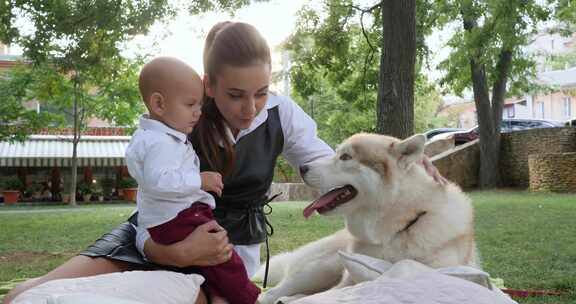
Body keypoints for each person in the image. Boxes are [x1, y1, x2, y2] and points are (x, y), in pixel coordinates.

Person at [3, 21, 444, 304]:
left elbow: (329, 166)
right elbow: (152, 195)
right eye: (235, 94)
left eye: (261, 92)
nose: (250, 108)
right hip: (154, 235)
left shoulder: (282, 114)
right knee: (30, 293)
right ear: (207, 84)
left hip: (228, 249)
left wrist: (403, 165)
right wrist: (165, 251)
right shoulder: (182, 114)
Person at [126, 56, 259, 304]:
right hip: (175, 217)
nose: (198, 113)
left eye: (199, 105)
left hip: (163, 219)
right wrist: (199, 181)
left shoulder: (149, 136)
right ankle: (247, 298)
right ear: (158, 104)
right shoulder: (160, 143)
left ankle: (219, 295)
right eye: (190, 105)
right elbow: (160, 182)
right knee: (224, 258)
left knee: (209, 263)